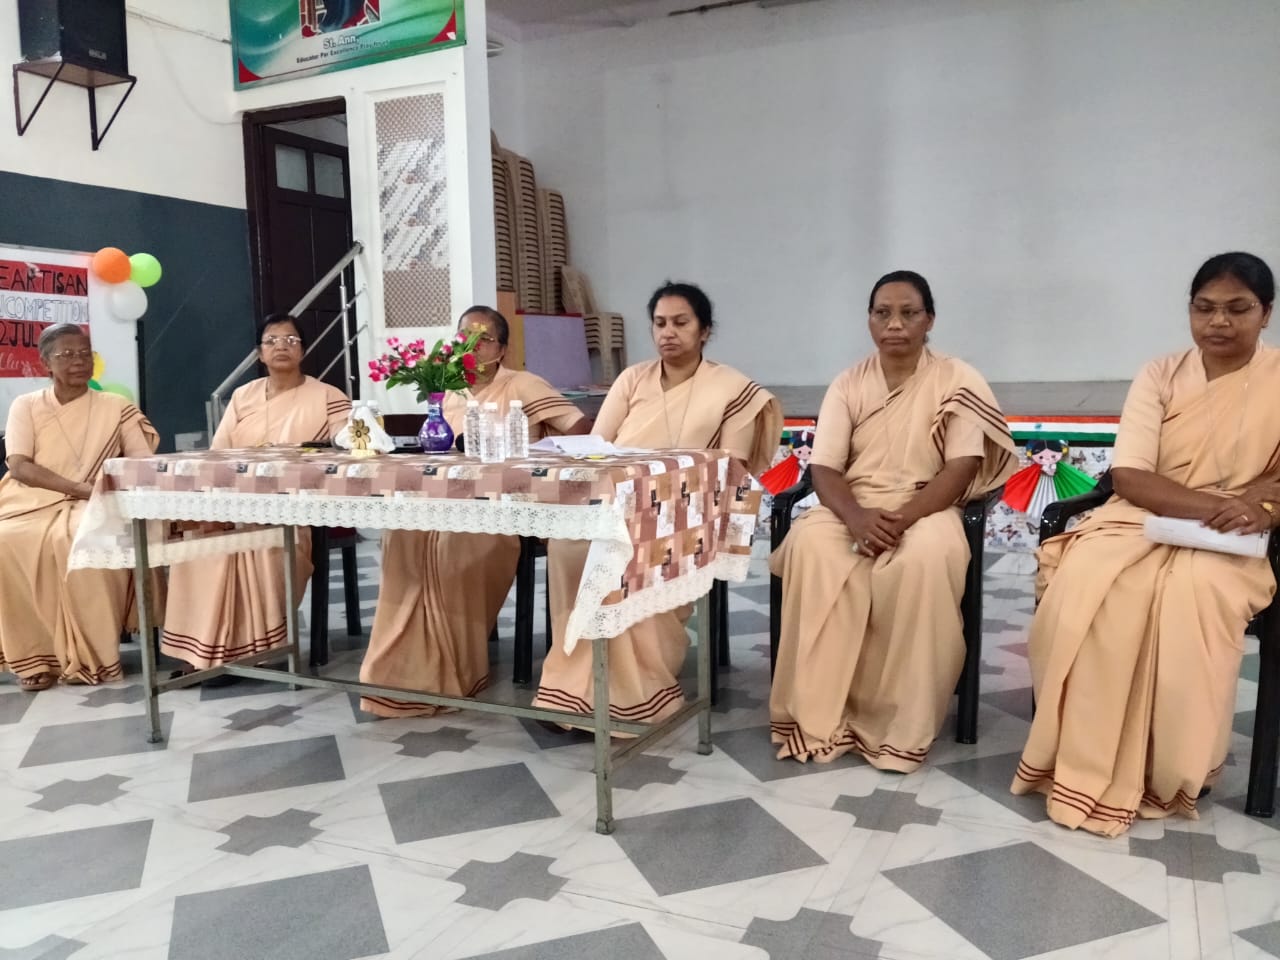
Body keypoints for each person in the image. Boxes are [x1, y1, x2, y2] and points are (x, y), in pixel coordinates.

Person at [1012, 252, 1280, 836]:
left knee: (1191, 593)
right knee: (1085, 582)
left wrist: (1258, 501)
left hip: (1238, 539)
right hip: (1144, 516)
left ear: (1266, 313)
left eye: (1238, 309)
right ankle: (1075, 756)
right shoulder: (1159, 375)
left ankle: (1173, 768)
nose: (1219, 322)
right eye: (1204, 308)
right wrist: (1219, 505)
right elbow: (1131, 477)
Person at [769, 271, 1017, 771]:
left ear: (930, 320)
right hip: (854, 507)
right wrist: (858, 518)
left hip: (928, 508)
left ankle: (898, 724)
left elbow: (961, 467)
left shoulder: (958, 380)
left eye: (909, 313)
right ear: (869, 320)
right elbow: (824, 468)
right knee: (811, 547)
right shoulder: (848, 383)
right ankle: (821, 714)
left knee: (923, 559)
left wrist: (901, 520)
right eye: (883, 313)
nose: (895, 324)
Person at [531, 281, 783, 727]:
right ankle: (571, 690)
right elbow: (598, 448)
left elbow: (732, 468)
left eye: (681, 323)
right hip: (614, 504)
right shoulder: (633, 379)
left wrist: (665, 494)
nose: (669, 332)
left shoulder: (733, 389)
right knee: (569, 545)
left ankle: (633, 693)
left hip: (683, 516)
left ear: (705, 330)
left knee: (626, 556)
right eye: (660, 323)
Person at [359, 306, 590, 717]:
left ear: (501, 350)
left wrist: (536, 458)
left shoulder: (522, 384)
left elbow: (579, 428)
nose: (470, 345)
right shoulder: (447, 387)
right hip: (442, 501)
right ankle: (398, 668)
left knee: (454, 543)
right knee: (401, 534)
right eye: (464, 336)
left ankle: (454, 668)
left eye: (483, 338)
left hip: (501, 511)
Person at [161, 314, 351, 671]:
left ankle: (250, 652)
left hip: (292, 508)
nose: (282, 346)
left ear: (303, 350)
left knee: (266, 547)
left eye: (291, 340)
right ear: (260, 354)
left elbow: (346, 447)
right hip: (234, 503)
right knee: (197, 543)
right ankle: (203, 652)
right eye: (272, 340)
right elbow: (219, 454)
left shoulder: (328, 396)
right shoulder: (242, 395)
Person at [0, 323, 158, 689]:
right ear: (45, 363)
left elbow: (141, 462)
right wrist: (76, 489)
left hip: (99, 499)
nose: (79, 361)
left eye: (86, 354)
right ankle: (34, 659)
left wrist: (101, 490)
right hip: (32, 499)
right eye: (67, 354)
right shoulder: (26, 405)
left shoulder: (116, 407)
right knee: (5, 539)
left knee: (75, 538)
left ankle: (93, 658)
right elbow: (19, 466)